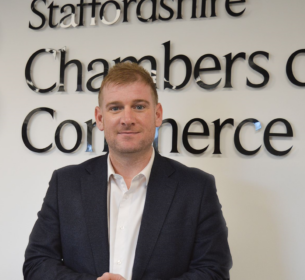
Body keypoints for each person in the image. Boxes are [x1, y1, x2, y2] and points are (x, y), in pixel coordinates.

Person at [23, 62, 232, 280]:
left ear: (158, 114)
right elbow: (37, 264)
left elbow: (213, 272)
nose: (127, 119)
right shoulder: (65, 184)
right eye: (115, 108)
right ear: (100, 118)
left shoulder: (196, 188)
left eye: (139, 106)